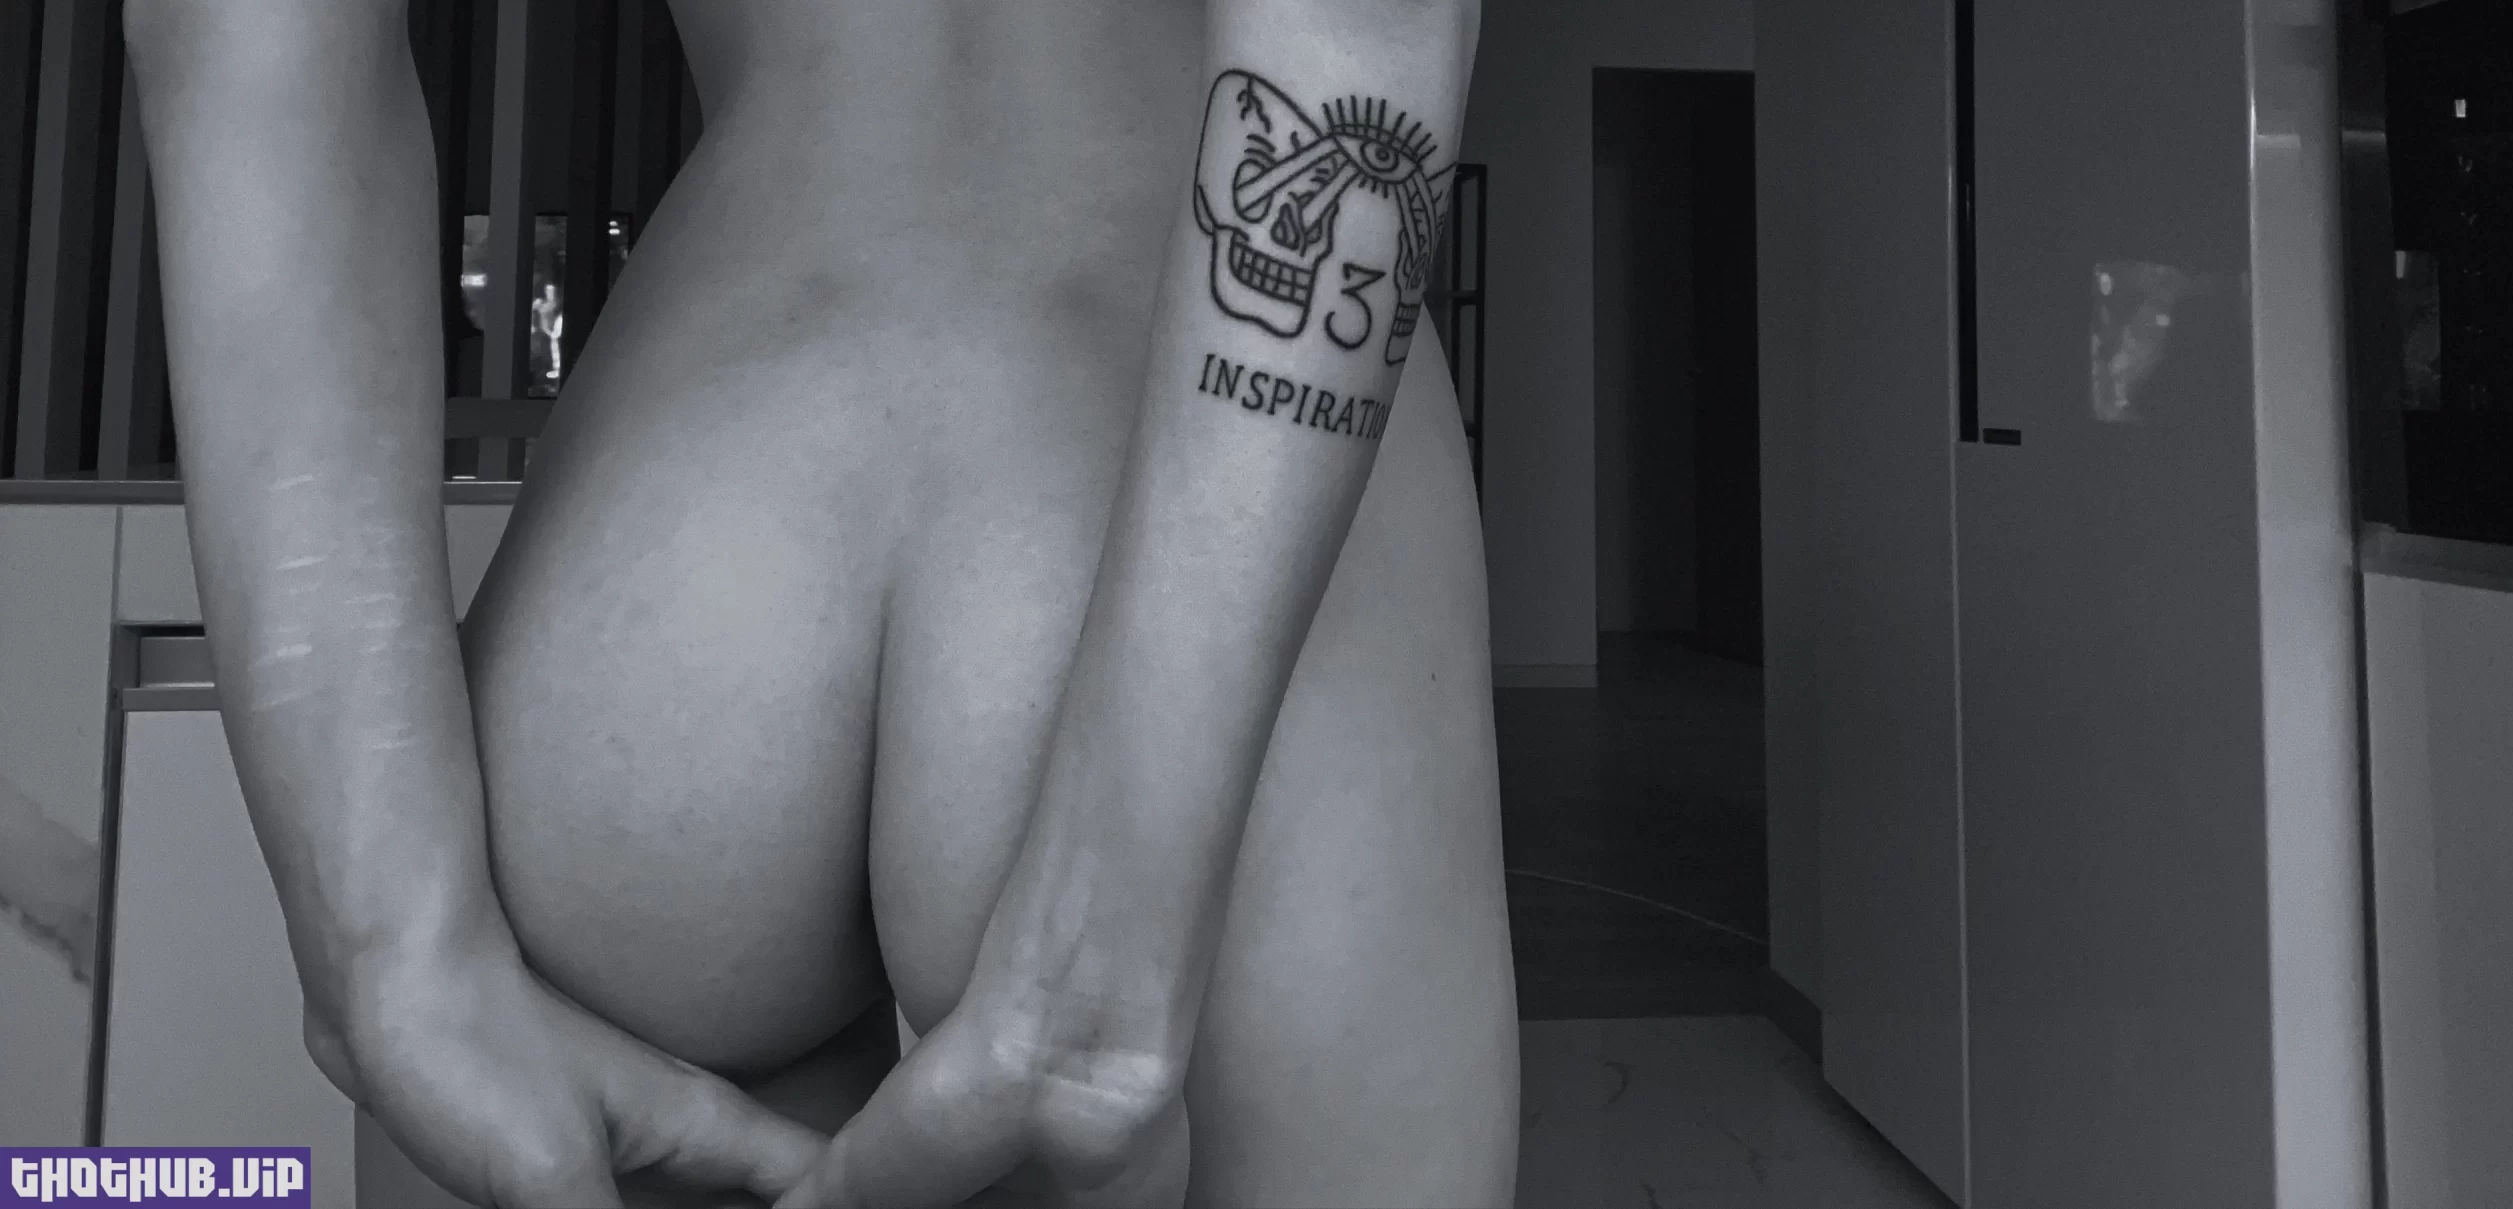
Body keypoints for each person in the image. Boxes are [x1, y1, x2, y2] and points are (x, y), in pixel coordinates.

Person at [123, 2, 1513, 1205]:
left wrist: (387, 947)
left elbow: (243, 33)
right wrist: (1101, 974)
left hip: (695, 544)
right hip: (1196, 542)